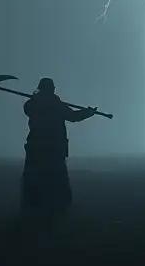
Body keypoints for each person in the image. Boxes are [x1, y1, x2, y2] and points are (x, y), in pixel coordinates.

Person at [20, 77, 97, 212]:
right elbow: (73, 116)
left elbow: (27, 109)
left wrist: (87, 112)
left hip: (37, 146)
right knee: (57, 175)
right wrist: (88, 112)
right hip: (53, 146)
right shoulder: (55, 105)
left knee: (35, 175)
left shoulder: (36, 104)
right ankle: (57, 202)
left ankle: (33, 202)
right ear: (51, 89)